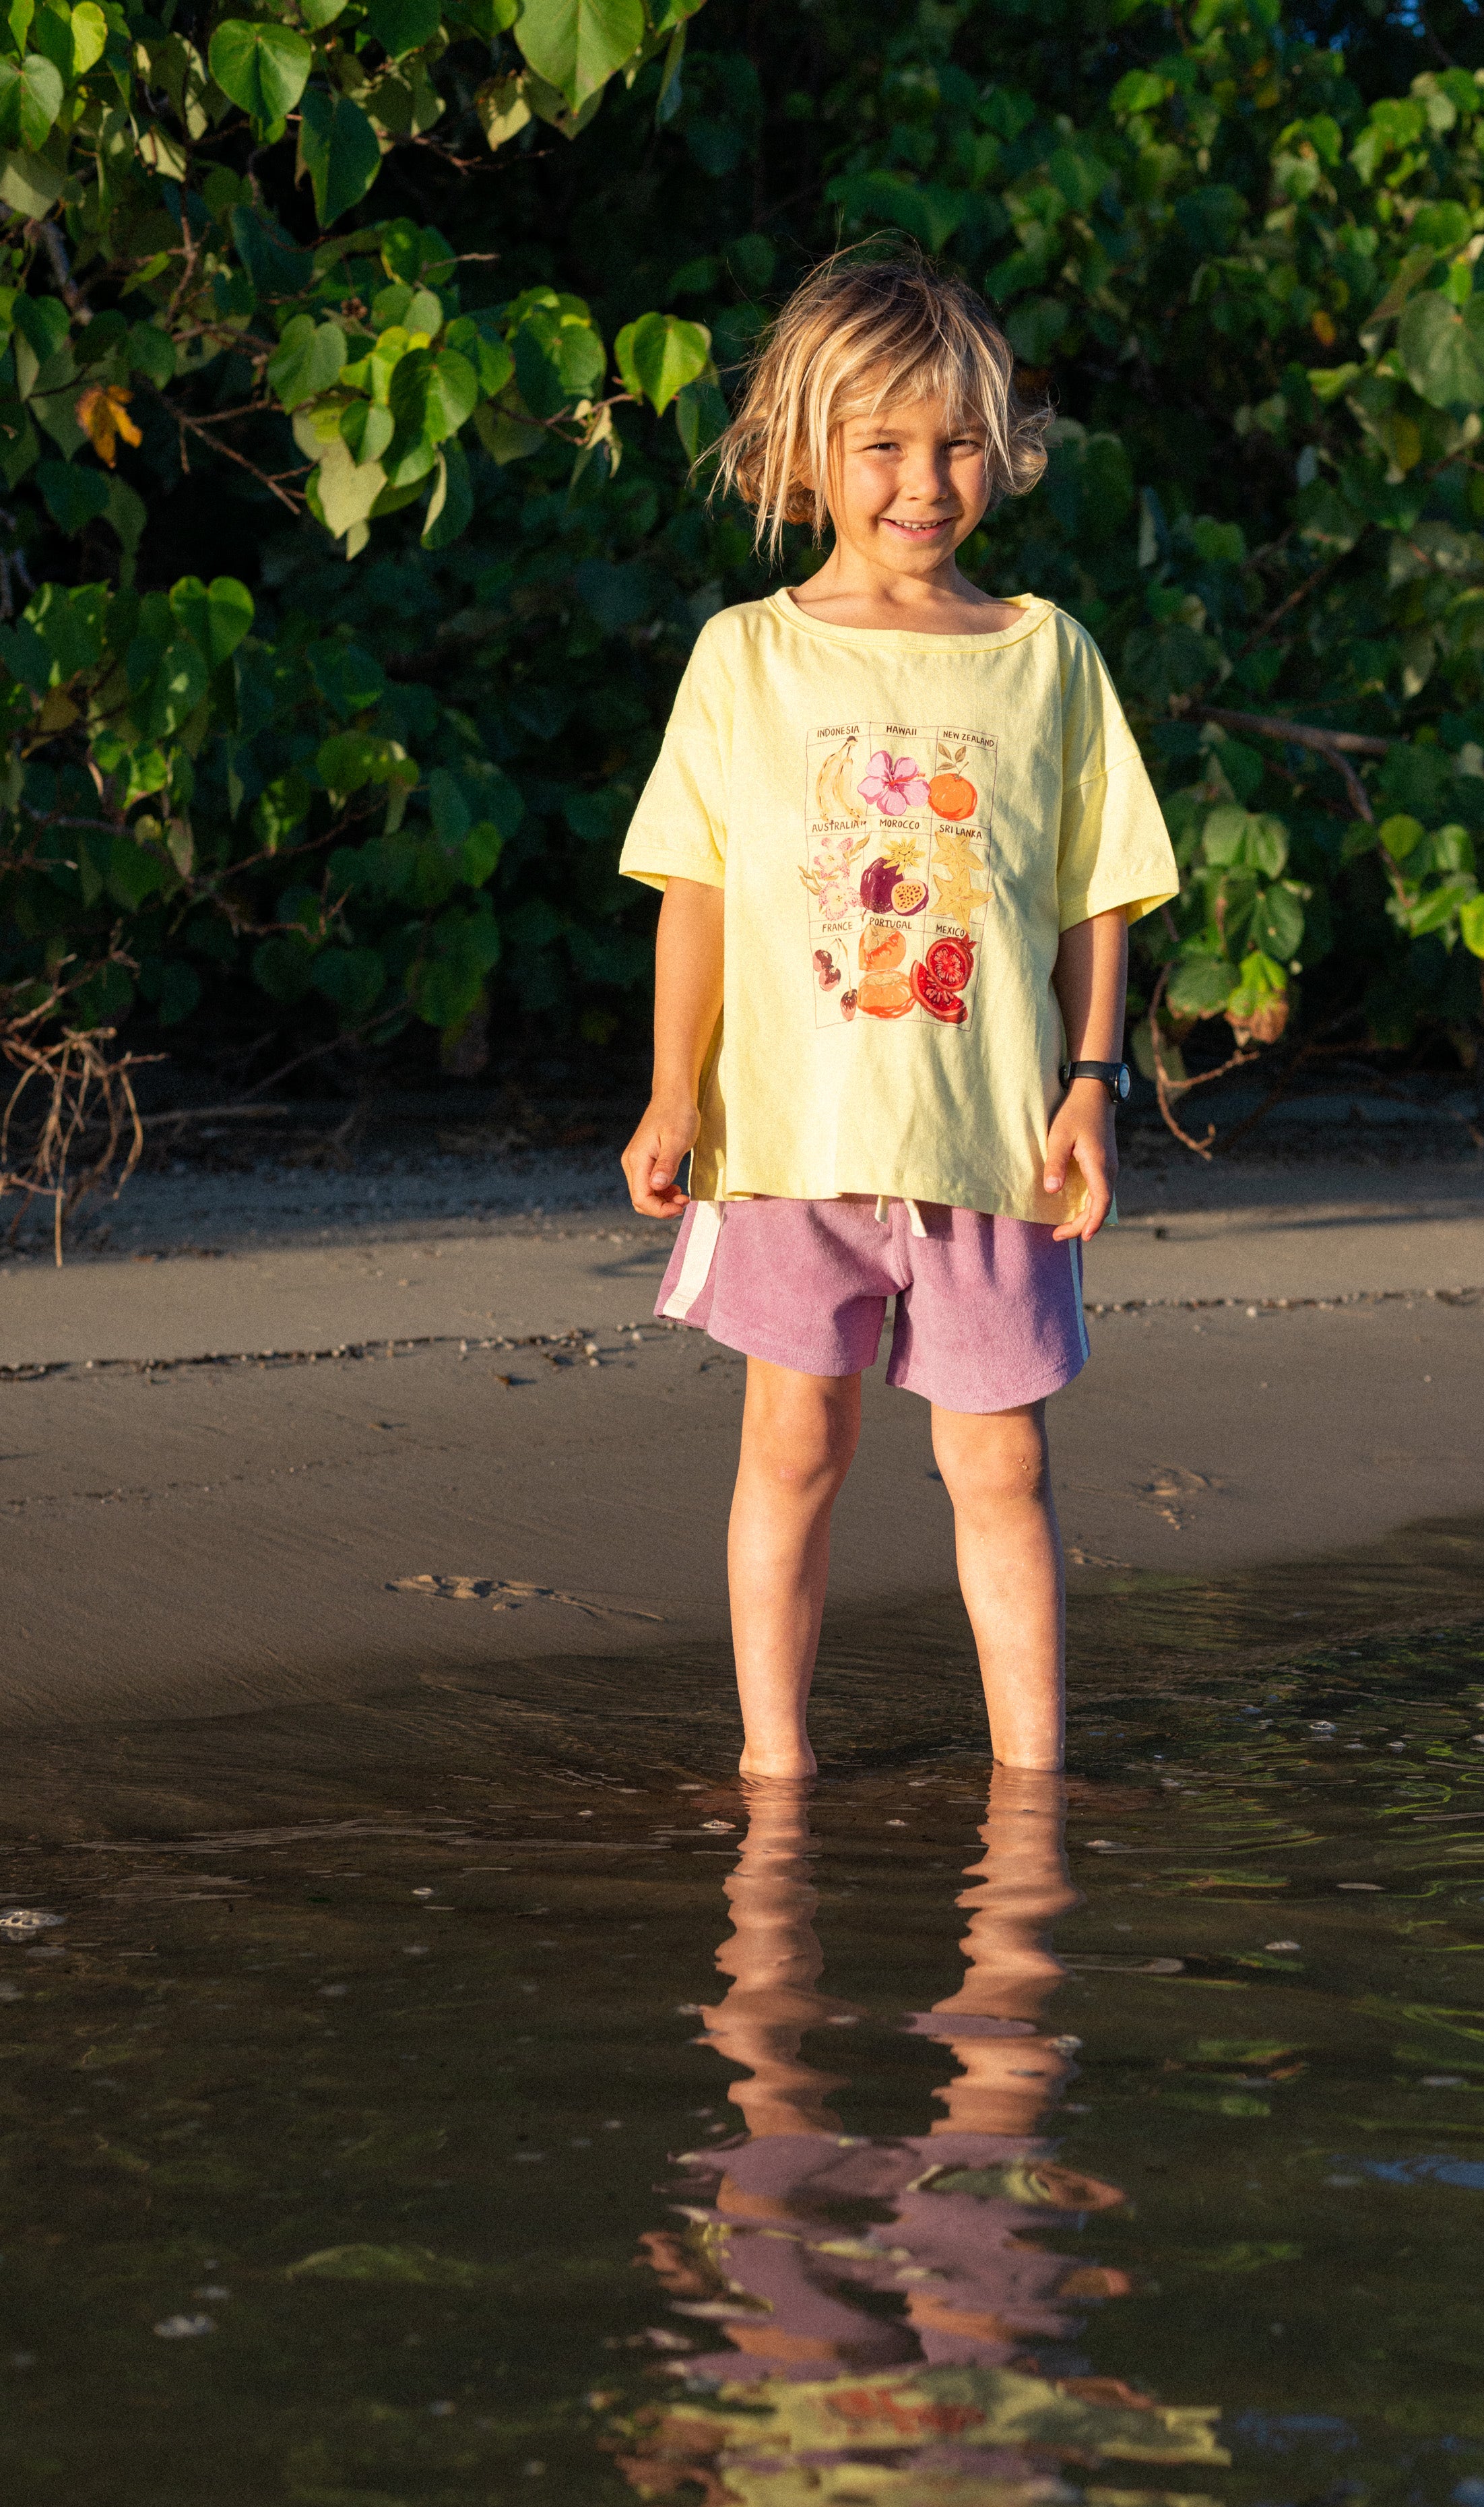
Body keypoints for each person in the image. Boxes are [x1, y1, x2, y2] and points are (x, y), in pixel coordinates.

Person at [619, 251, 1177, 1779]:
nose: (924, 483)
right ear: (806, 456)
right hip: (792, 1142)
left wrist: (1090, 1082)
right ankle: (775, 1768)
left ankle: (1030, 1779)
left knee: (1001, 1459)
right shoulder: (748, 652)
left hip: (993, 1137)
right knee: (793, 1448)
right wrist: (674, 1087)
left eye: (959, 444)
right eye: (884, 445)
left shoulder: (1046, 653)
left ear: (1004, 448)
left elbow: (1095, 890)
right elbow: (700, 886)